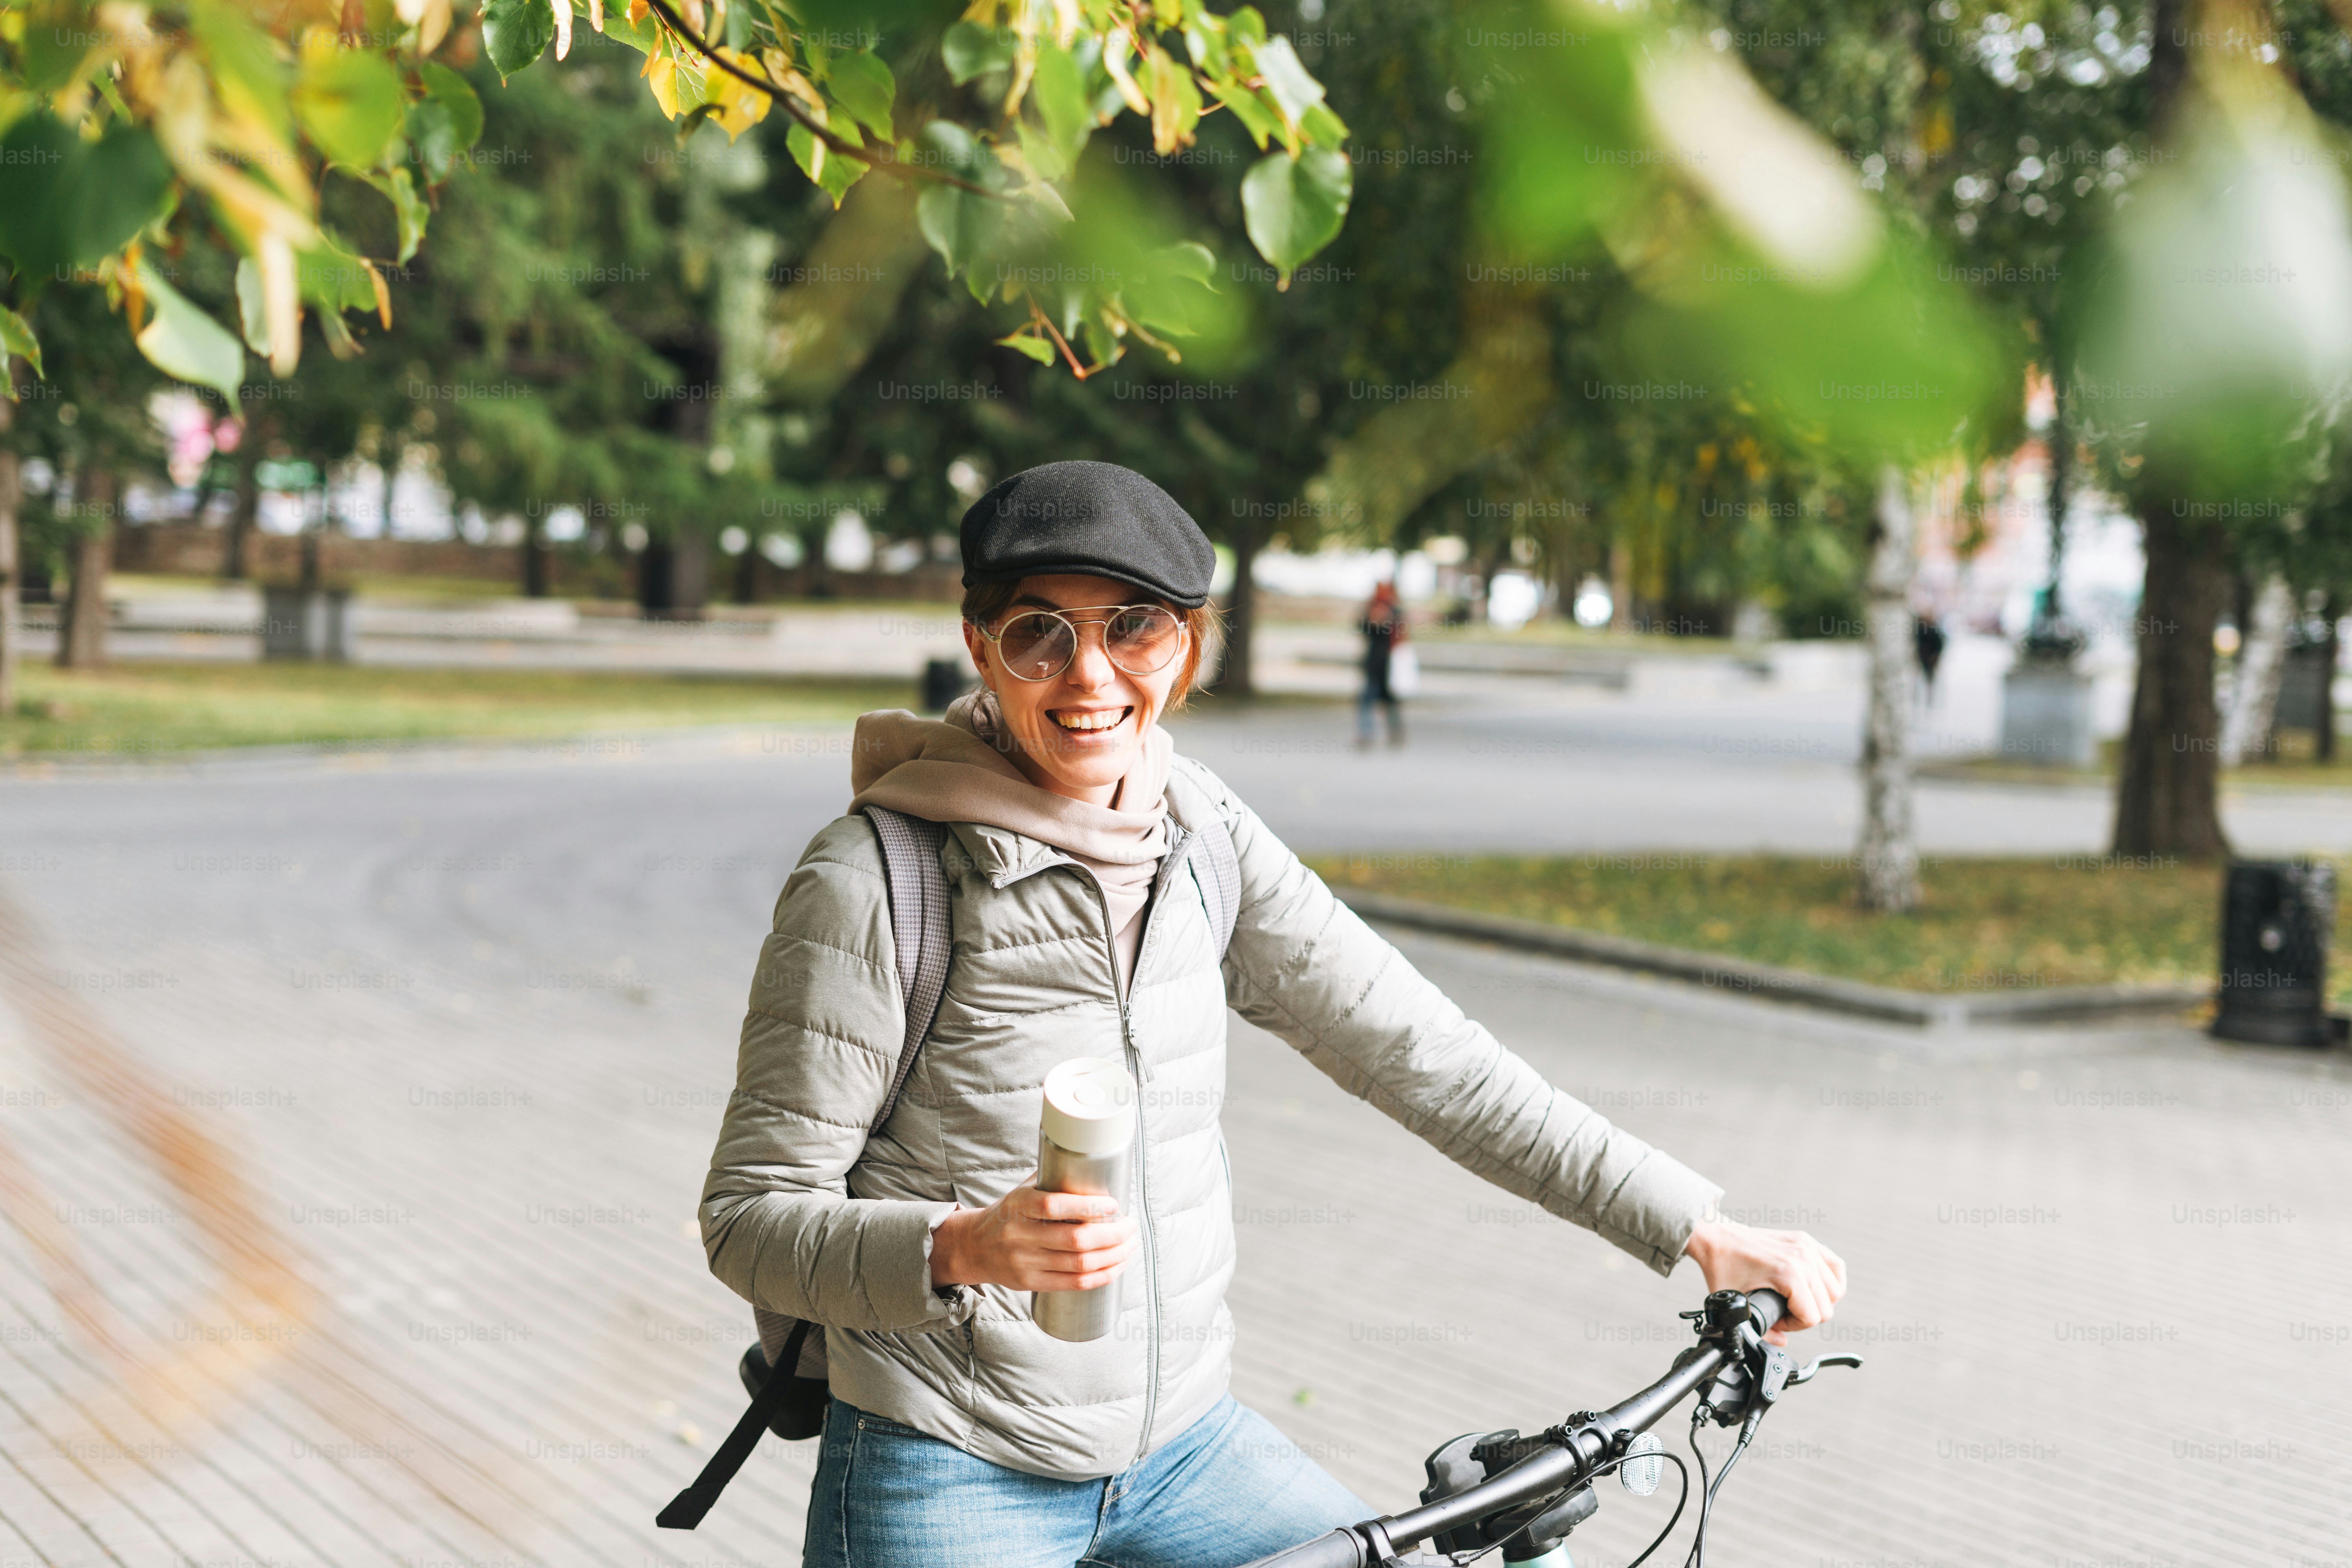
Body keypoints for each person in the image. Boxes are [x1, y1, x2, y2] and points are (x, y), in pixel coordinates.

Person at [699, 460, 1847, 1568]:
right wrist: (962, 1246)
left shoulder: (1200, 834)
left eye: (1133, 628)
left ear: (1186, 646)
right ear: (979, 648)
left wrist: (1695, 1227)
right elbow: (747, 1220)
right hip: (949, 1458)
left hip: (1183, 1450)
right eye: (1039, 633)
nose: (1088, 675)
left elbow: (1425, 1055)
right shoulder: (876, 878)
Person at [1358, 580, 1407, 747]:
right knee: (1367, 699)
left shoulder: (1395, 611)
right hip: (1374, 662)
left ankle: (1396, 733)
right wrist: (1372, 619)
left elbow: (1401, 634)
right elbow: (1363, 628)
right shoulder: (1371, 609)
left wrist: (1387, 619)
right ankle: (1366, 733)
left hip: (1390, 663)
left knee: (1391, 700)